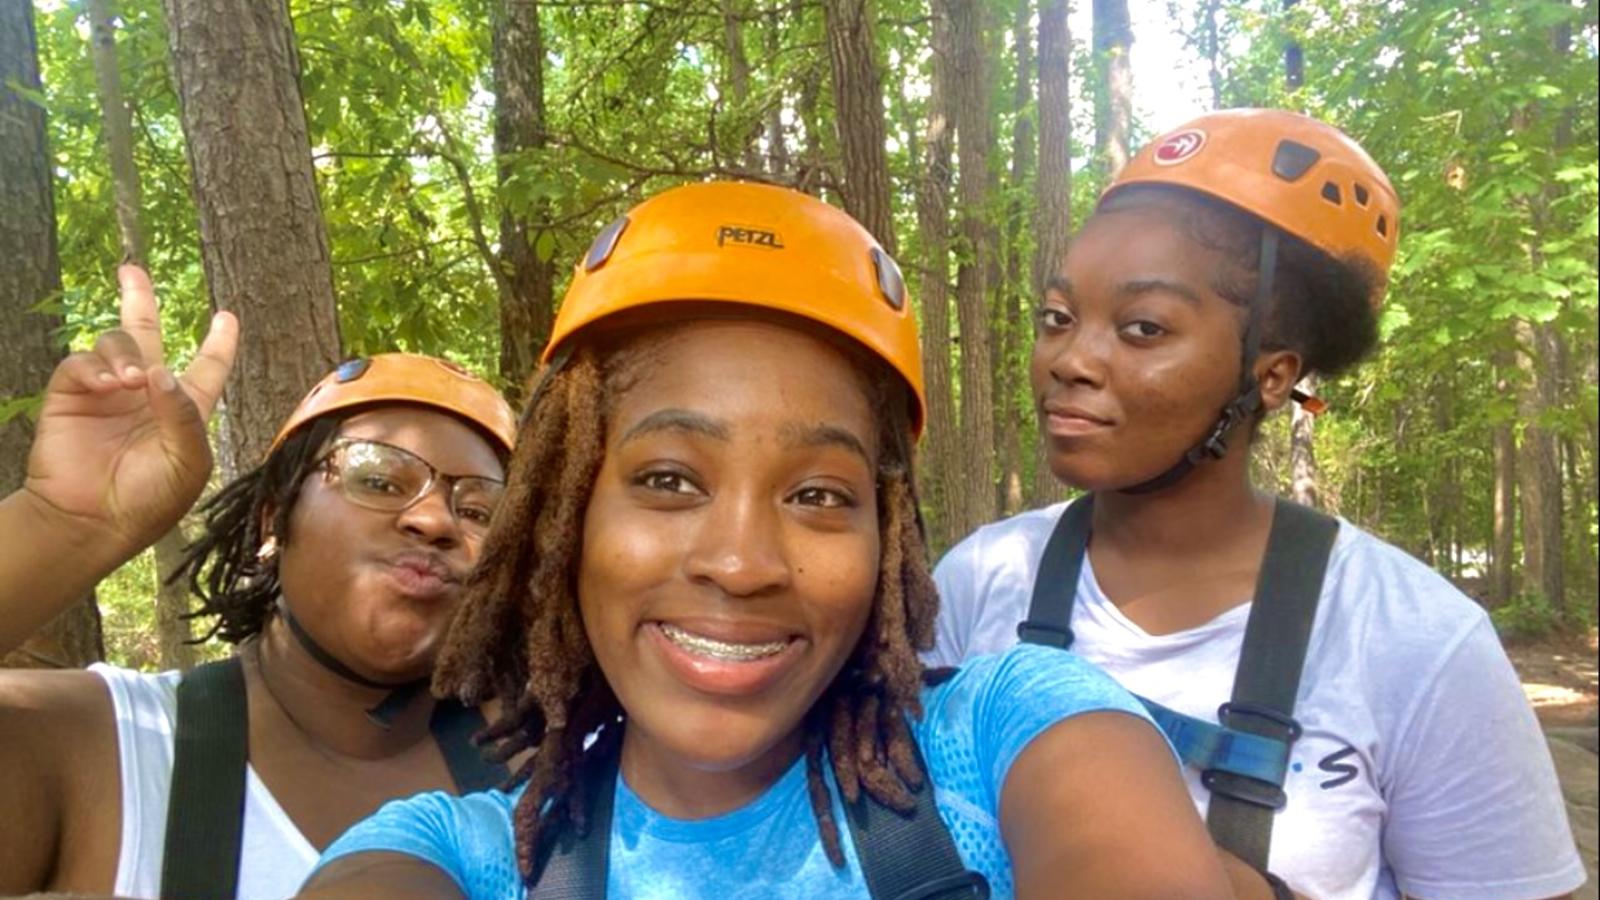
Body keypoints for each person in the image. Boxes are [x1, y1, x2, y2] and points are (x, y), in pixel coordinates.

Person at [298, 181, 1235, 900]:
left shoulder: (1010, 734)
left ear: (886, 541)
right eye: (668, 481)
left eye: (821, 494)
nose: (742, 564)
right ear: (568, 516)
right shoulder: (462, 856)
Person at [927, 109, 1585, 900]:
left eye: (1141, 328)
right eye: (1058, 319)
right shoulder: (980, 581)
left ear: (1271, 376)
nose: (1071, 359)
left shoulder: (1415, 641)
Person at [0, 266, 518, 897]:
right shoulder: (98, 747)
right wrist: (61, 525)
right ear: (275, 517)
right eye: (378, 479)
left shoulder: (560, 774)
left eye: (478, 511)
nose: (434, 518)